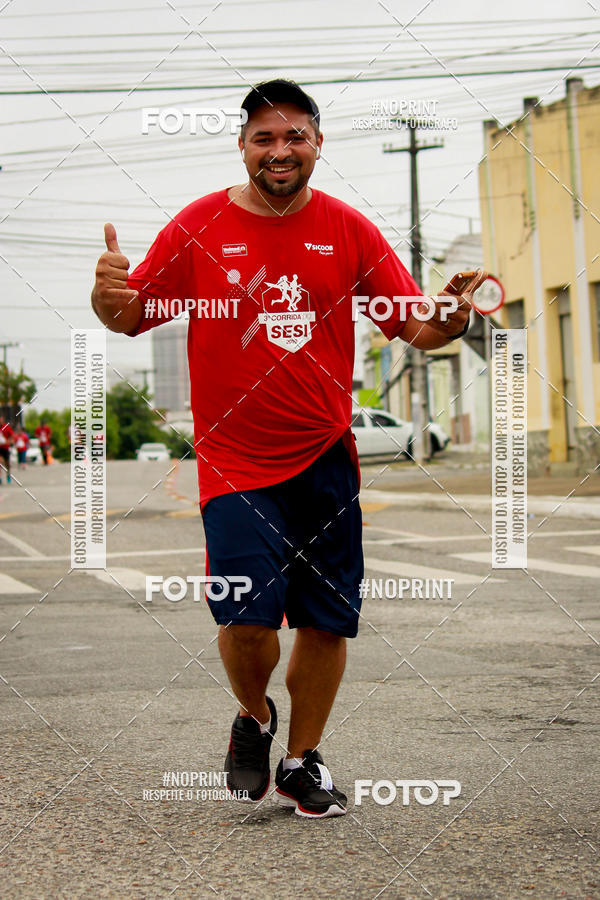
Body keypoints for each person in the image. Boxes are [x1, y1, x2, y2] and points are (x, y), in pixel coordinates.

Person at [91, 79, 476, 819]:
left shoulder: (352, 231)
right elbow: (129, 316)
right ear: (242, 147)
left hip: (326, 457)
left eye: (295, 135)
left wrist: (453, 318)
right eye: (264, 138)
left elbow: (418, 330)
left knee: (327, 622)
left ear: (317, 144)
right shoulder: (199, 227)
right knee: (245, 620)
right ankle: (254, 717)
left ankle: (301, 760)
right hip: (235, 463)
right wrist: (106, 297)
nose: (280, 149)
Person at [0, 415, 15, 484]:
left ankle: (8, 475)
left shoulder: (6, 427)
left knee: (7, 464)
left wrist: (8, 441)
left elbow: (12, 436)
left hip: (5, 448)